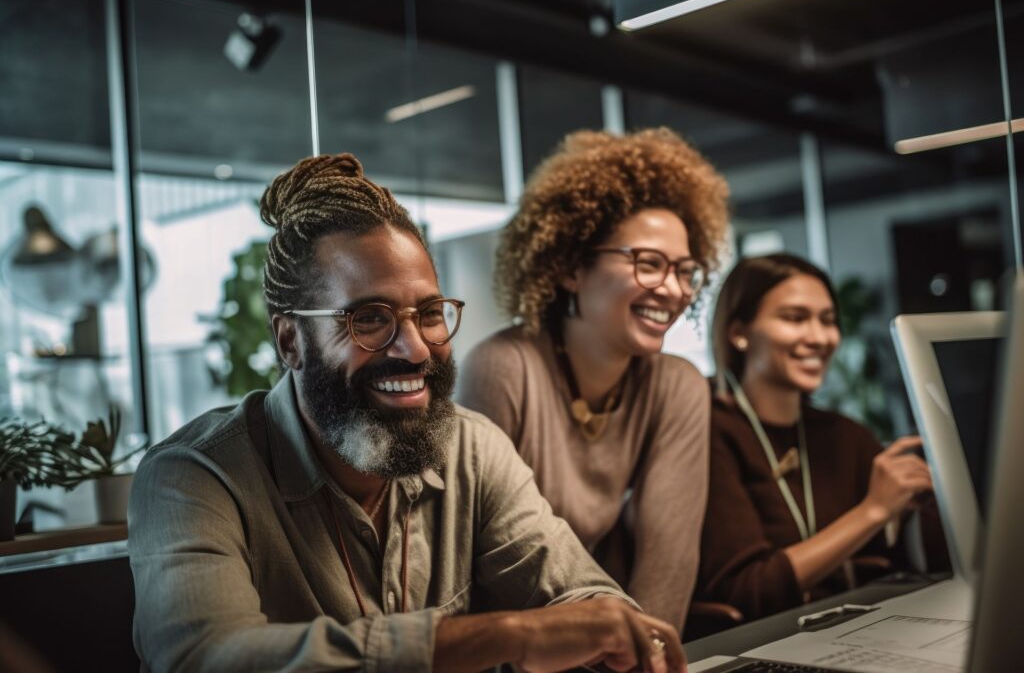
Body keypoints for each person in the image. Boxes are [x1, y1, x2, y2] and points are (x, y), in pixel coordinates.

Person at [128, 153, 686, 673]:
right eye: (370, 318)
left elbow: (575, 590)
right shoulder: (193, 477)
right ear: (291, 341)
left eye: (429, 313)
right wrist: (514, 636)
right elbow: (205, 655)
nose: (416, 348)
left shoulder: (472, 447)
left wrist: (617, 629)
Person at [458, 128, 731, 630]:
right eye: (648, 264)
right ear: (569, 268)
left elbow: (668, 560)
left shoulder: (679, 386)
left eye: (685, 270)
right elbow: (486, 564)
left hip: (610, 644)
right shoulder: (502, 368)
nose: (672, 289)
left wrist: (646, 659)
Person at [696, 253, 945, 620]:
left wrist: (915, 504)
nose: (819, 337)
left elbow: (939, 561)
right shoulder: (707, 431)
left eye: (828, 321)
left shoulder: (845, 435)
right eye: (795, 318)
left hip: (854, 628)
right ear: (738, 333)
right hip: (758, 645)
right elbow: (747, 590)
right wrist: (874, 510)